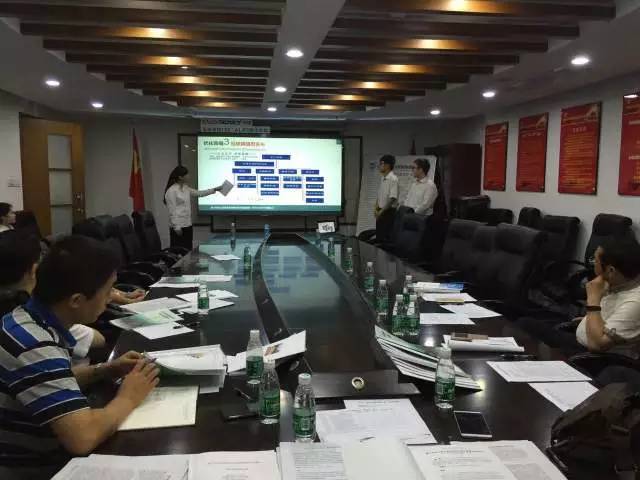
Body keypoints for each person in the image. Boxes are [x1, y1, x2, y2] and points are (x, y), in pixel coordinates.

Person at [0, 235, 159, 479]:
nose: (110, 298)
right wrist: (129, 397)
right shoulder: (35, 345)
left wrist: (103, 370)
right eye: (107, 291)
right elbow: (83, 438)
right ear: (76, 300)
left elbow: (51, 381)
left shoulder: (25, 319)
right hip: (35, 469)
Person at [0, 231, 145, 362]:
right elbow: (98, 340)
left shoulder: (19, 313)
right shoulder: (40, 346)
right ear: (34, 269)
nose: (109, 299)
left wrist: (102, 371)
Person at [518, 236, 640, 358]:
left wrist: (593, 299)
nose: (593, 264)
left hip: (592, 357)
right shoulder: (616, 283)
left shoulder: (634, 302)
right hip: (580, 339)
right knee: (526, 323)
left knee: (526, 330)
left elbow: (596, 346)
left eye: (595, 260)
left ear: (611, 271)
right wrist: (587, 320)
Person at [164, 165, 222, 251]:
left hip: (187, 224)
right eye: (187, 174)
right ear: (180, 177)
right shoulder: (171, 191)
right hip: (178, 227)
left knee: (188, 250)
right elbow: (172, 210)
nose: (189, 176)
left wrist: (215, 189)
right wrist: (177, 227)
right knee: (178, 251)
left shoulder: (185, 188)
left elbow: (199, 193)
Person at [374, 154, 399, 243]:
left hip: (388, 212)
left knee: (385, 240)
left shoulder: (393, 179)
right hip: (380, 211)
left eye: (381, 163)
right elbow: (380, 195)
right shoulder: (383, 178)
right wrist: (376, 208)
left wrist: (381, 211)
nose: (379, 166)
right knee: (379, 237)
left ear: (388, 165)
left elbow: (392, 198)